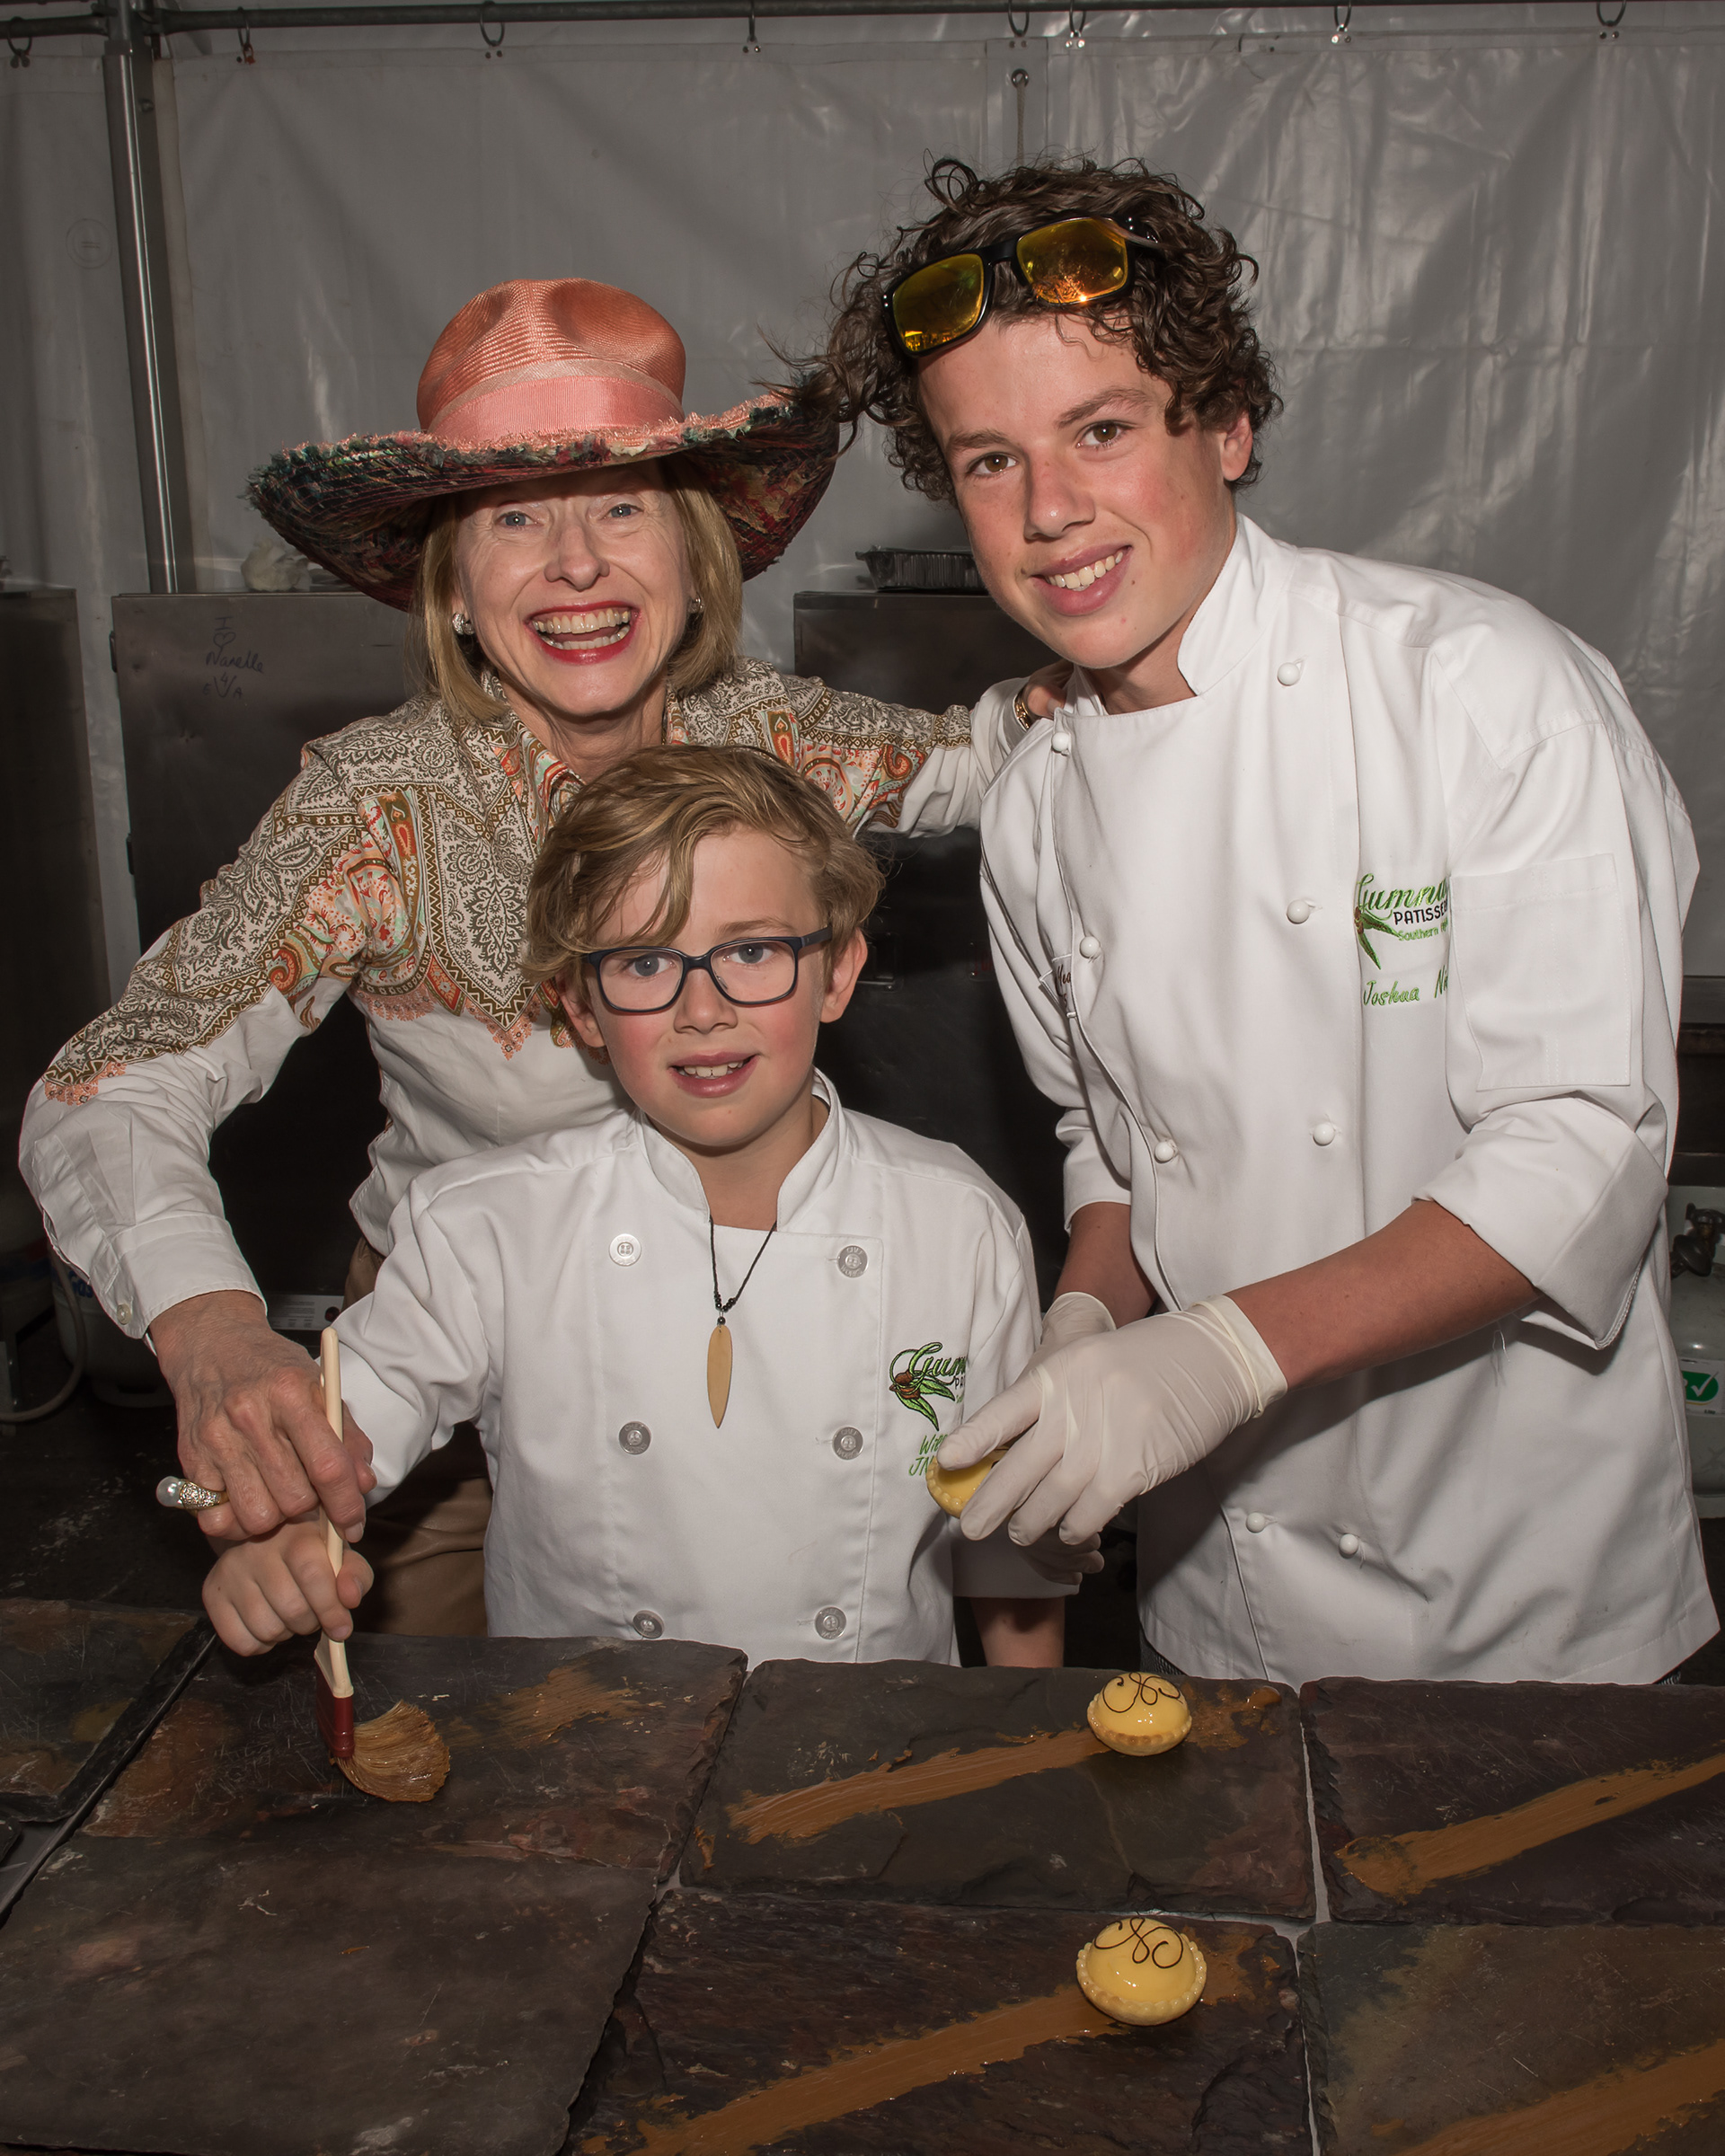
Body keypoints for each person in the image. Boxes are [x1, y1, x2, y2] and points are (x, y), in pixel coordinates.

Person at [21, 276, 1060, 1634]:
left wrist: (1132, 667)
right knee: (451, 1748)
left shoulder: (774, 735)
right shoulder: (375, 805)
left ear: (693, 557)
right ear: (452, 588)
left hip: (770, 1288)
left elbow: (997, 759)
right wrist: (212, 1330)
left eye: (621, 507)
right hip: (443, 1338)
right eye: (516, 520)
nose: (577, 567)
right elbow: (111, 1081)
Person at [809, 155, 1715, 1686]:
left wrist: (1222, 1354)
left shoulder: (1479, 689)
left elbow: (1582, 1146)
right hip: (1219, 1608)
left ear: (1227, 425)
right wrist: (1089, 1329)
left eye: (1100, 432)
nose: (1049, 514)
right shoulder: (1034, 806)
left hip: (1535, 1615)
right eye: (989, 461)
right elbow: (1114, 1154)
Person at [203, 747, 1075, 1668]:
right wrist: (273, 1534)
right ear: (580, 1004)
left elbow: (1006, 1554)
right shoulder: (486, 1227)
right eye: (646, 962)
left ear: (838, 971)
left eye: (752, 950)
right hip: (586, 1759)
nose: (703, 1010)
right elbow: (344, 1432)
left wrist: (1028, 1752)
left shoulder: (959, 1225)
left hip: (870, 1759)